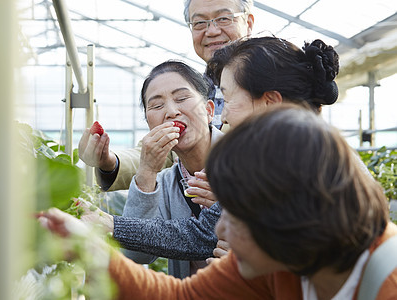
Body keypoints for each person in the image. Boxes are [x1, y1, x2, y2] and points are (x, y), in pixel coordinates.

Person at [40, 104, 397, 299]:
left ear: (284, 214)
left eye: (232, 213)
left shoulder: (387, 282)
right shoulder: (279, 262)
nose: (219, 228)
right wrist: (91, 248)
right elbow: (184, 297)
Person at [83, 36, 342, 263]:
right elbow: (200, 235)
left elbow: (200, 236)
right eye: (156, 105)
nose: (225, 116)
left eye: (227, 100)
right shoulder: (265, 160)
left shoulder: (301, 163)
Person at [79, 0, 254, 192]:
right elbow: (160, 152)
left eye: (223, 18)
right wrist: (109, 161)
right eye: (199, 23)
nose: (211, 31)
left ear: (249, 23)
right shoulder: (195, 88)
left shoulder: (273, 82)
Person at [118, 60, 224, 278]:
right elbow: (137, 254)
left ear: (209, 110)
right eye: (157, 106)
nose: (171, 112)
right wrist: (146, 171)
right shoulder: (165, 182)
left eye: (182, 98)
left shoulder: (248, 161)